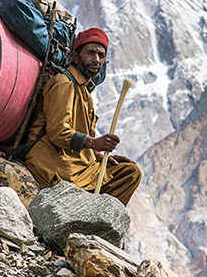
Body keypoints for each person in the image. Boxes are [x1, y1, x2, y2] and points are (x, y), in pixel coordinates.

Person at [23, 27, 142, 205]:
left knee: (130, 173)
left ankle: (94, 219)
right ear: (76, 56)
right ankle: (89, 219)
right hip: (55, 165)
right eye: (91, 53)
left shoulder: (84, 90)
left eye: (101, 55)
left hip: (79, 165)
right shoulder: (64, 83)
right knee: (129, 175)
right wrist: (94, 143)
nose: (96, 60)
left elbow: (84, 135)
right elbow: (58, 133)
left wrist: (100, 156)